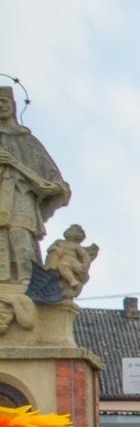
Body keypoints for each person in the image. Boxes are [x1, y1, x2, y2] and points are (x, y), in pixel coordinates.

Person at [0, 86, 70, 288]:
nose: (0, 107)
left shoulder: (27, 141)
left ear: (13, 106)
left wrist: (55, 187)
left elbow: (54, 179)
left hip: (22, 196)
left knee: (20, 237)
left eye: (3, 102)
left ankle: (26, 283)